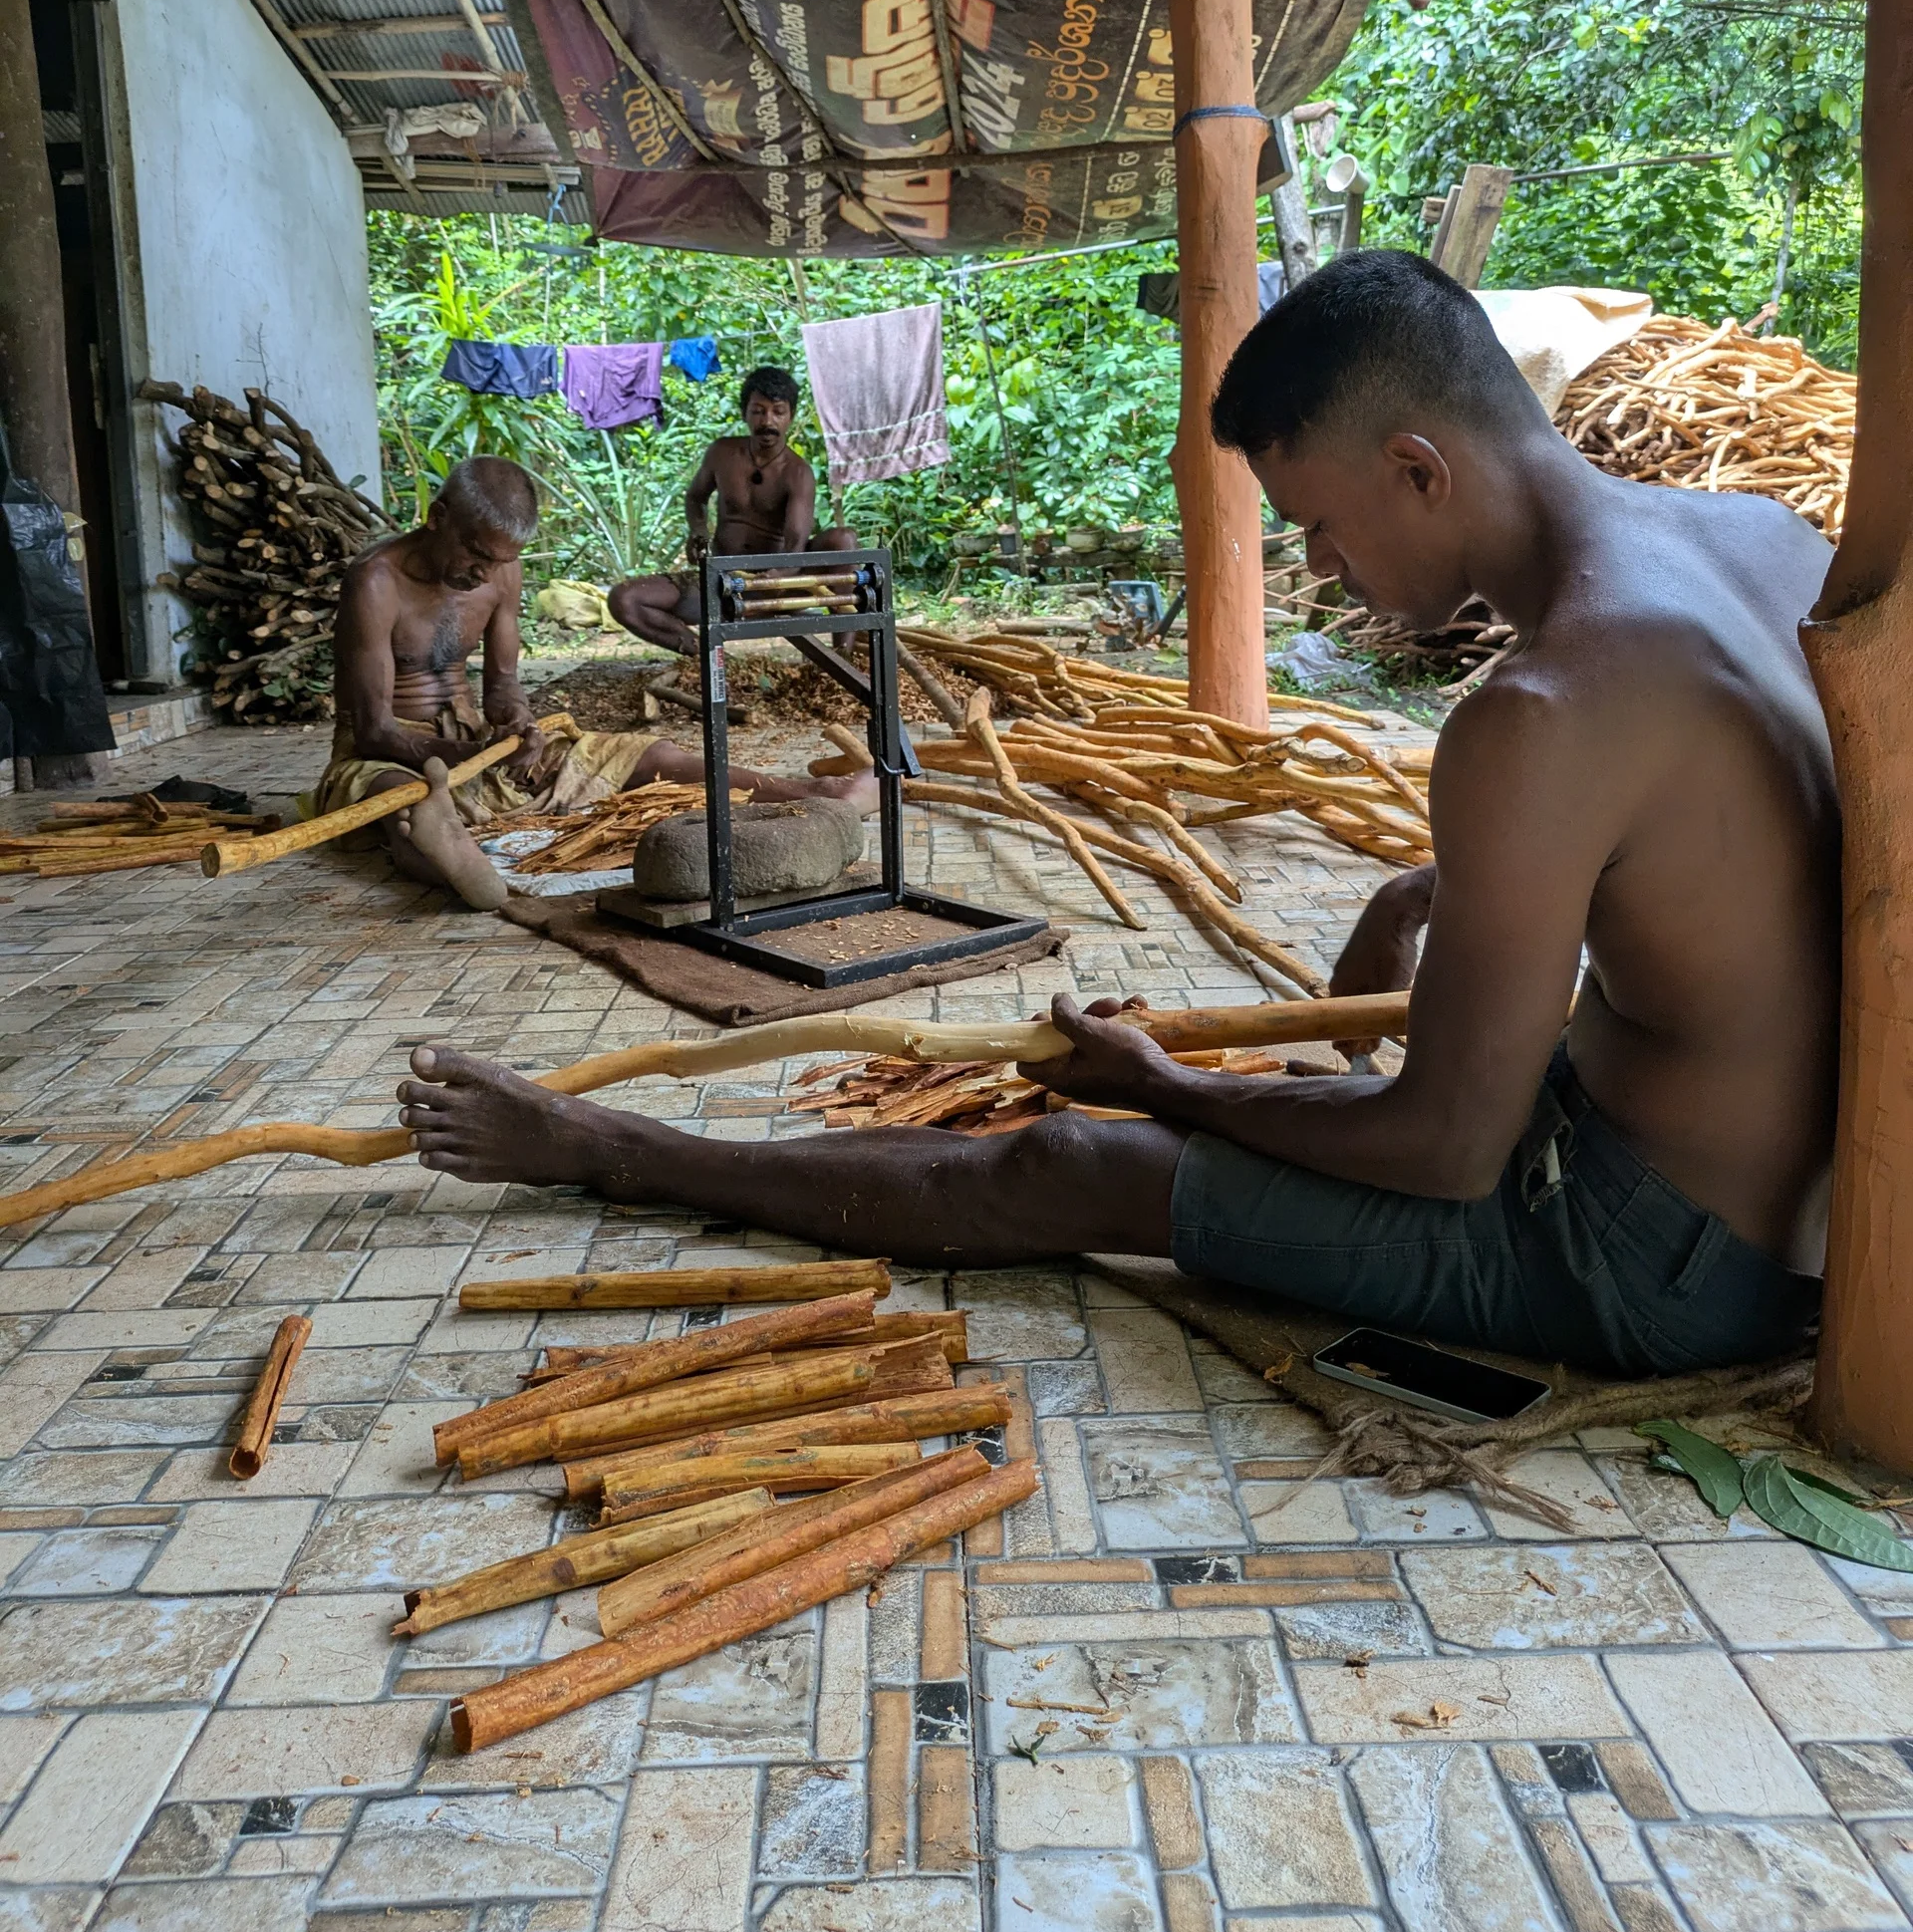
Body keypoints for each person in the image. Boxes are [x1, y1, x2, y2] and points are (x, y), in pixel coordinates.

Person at [395, 255, 1837, 1375]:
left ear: (1420, 466)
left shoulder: (1539, 712)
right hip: (1772, 1218)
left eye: (1323, 524)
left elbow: (1452, 1151)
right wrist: (1429, 908)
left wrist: (1167, 1088)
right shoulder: (1771, 547)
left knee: (1069, 1159)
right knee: (1301, 1093)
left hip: (1646, 1260)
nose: (1323, 567)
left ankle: (608, 1151)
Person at [325, 455, 873, 914]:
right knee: (394, 798)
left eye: (500, 562)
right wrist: (467, 754)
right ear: (437, 517)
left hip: (472, 742)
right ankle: (447, 853)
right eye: (476, 556)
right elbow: (373, 730)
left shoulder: (501, 572)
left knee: (646, 753)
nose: (485, 575)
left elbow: (502, 686)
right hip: (393, 749)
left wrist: (516, 725)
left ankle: (812, 795)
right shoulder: (376, 582)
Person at [609, 366, 856, 655]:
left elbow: (795, 543)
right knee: (623, 599)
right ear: (744, 413)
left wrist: (780, 574)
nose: (768, 421)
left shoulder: (798, 473)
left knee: (843, 539)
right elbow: (695, 498)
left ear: (791, 416)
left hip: (778, 585)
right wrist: (698, 532)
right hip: (720, 582)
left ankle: (844, 657)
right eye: (758, 411)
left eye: (778, 411)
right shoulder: (722, 453)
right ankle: (702, 655)